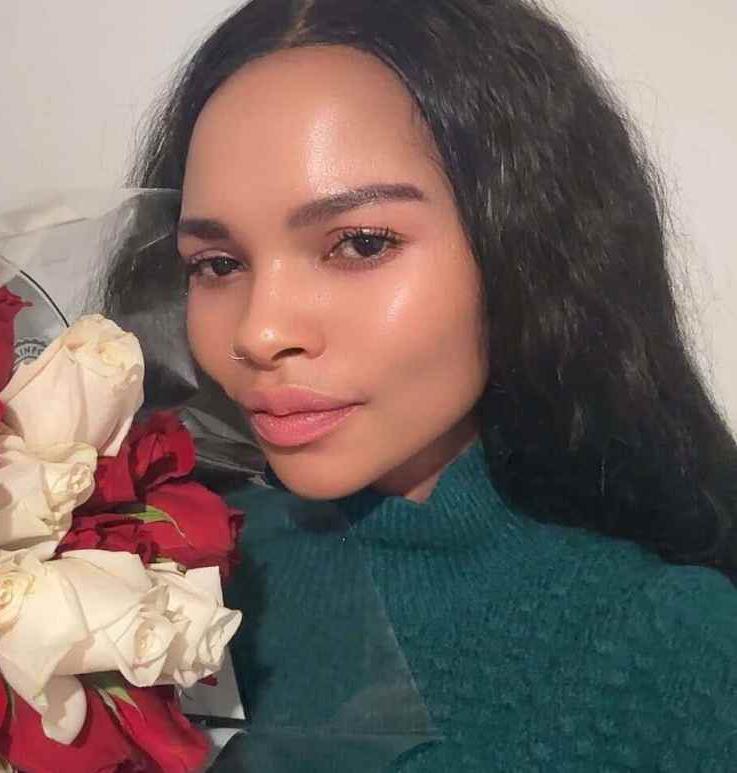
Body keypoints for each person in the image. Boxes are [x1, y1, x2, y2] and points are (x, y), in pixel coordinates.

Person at [104, 0, 737, 769]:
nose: (259, 332)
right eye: (218, 264)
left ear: (523, 243)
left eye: (360, 243)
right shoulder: (146, 569)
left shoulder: (667, 647)